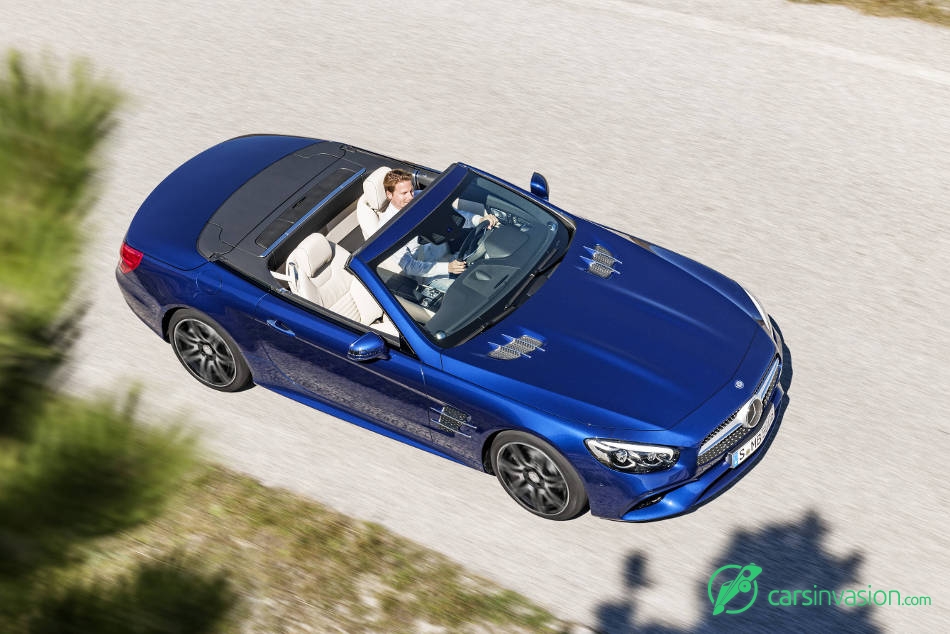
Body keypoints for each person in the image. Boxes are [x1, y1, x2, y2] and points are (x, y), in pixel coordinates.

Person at [378, 169, 498, 288]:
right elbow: (410, 266)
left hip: (453, 257)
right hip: (431, 275)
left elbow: (453, 217)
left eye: (411, 191)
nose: (410, 197)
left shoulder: (421, 197)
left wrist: (479, 220)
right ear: (389, 194)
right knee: (470, 291)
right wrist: (447, 267)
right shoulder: (387, 228)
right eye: (404, 193)